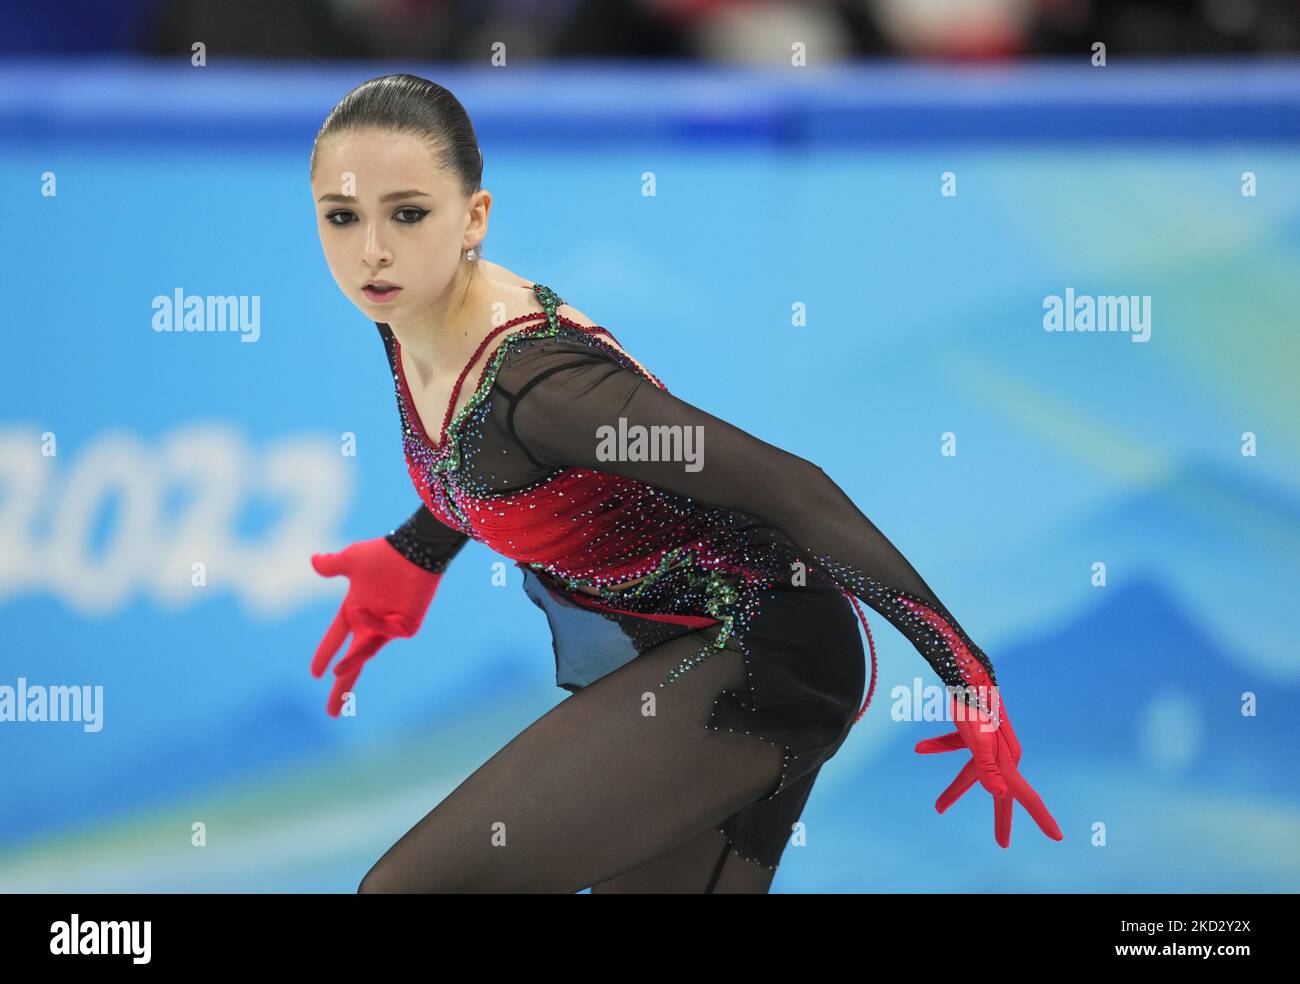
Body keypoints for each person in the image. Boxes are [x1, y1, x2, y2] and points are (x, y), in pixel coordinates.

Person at [306, 74, 1062, 894]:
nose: (371, 249)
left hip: (758, 647)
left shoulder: (547, 389)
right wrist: (418, 548)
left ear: (473, 219)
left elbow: (790, 487)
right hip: (680, 647)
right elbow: (489, 460)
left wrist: (967, 675)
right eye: (342, 217)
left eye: (408, 213)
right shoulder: (407, 312)